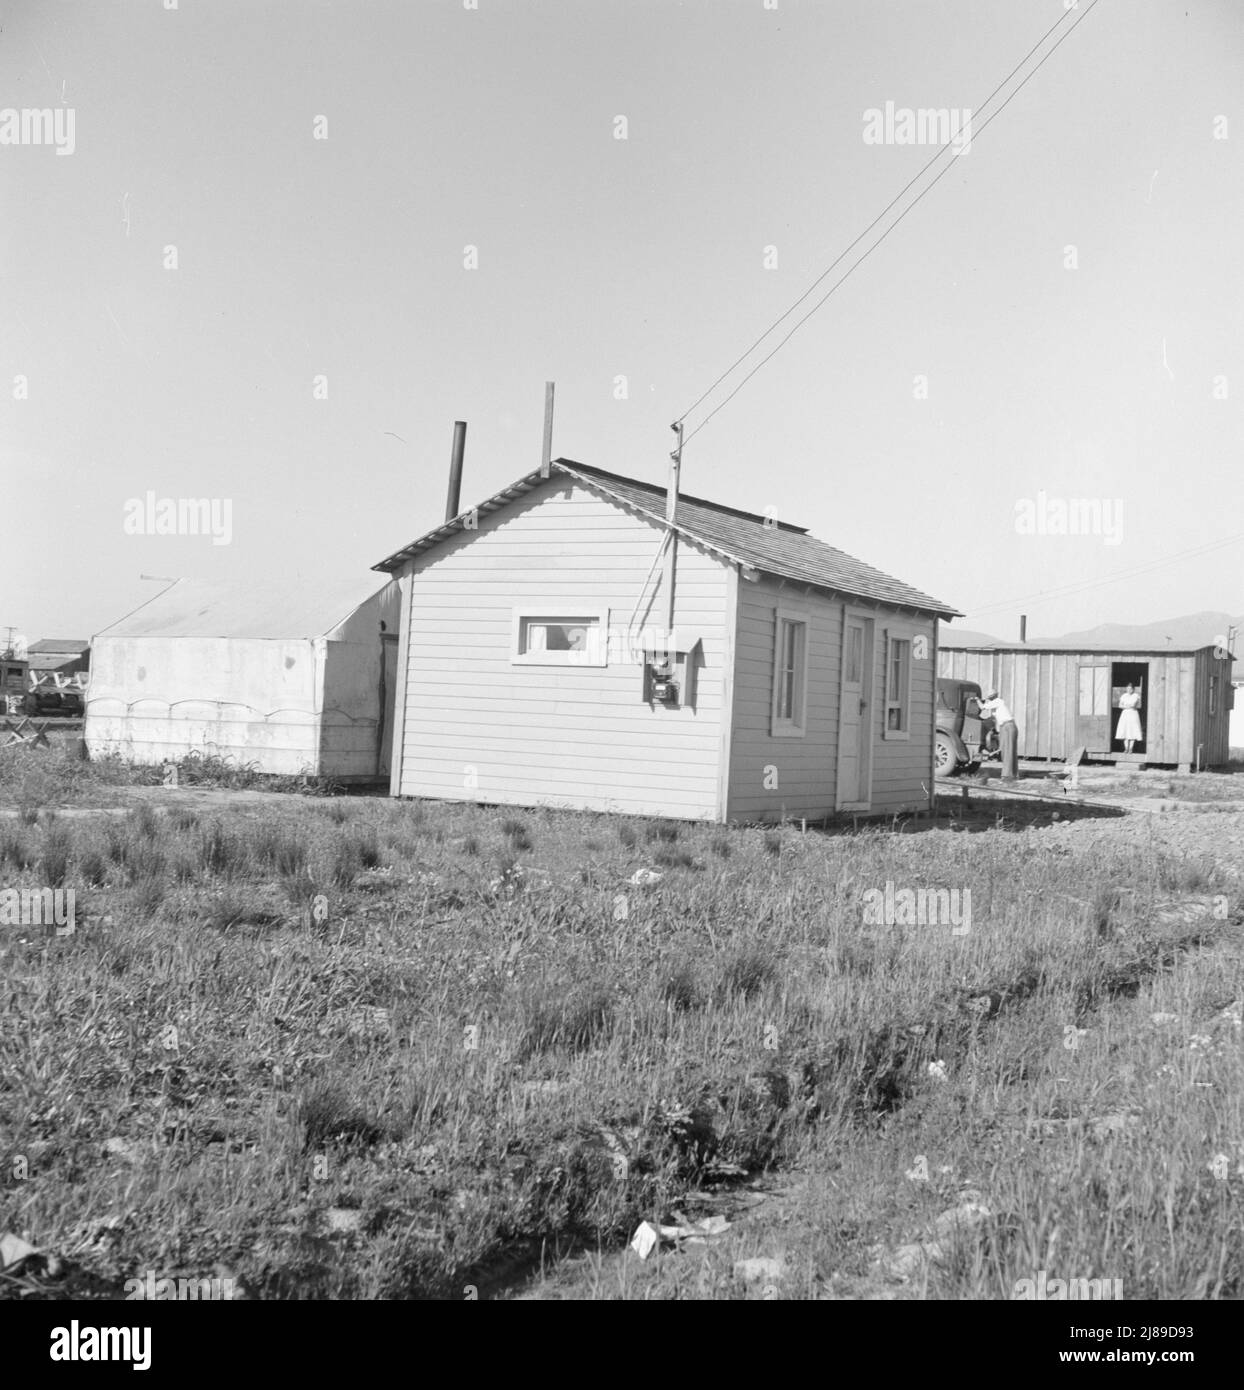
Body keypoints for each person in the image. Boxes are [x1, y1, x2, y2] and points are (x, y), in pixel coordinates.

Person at [979, 687, 1019, 782]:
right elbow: (991, 718)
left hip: (1008, 726)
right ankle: (1012, 774)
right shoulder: (995, 706)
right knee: (1006, 751)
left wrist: (977, 700)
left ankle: (1007, 776)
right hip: (1005, 727)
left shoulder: (998, 701)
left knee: (1008, 751)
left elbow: (982, 707)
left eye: (991, 697)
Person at [1116, 683, 1143, 754]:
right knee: (1125, 730)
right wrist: (1127, 706)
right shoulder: (1124, 696)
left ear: (1133, 689)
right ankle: (1126, 748)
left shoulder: (1136, 695)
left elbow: (1134, 705)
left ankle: (1131, 748)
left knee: (1132, 730)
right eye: (1128, 689)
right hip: (1125, 714)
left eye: (1130, 689)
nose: (1129, 690)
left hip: (1133, 714)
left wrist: (1126, 705)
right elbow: (1120, 705)